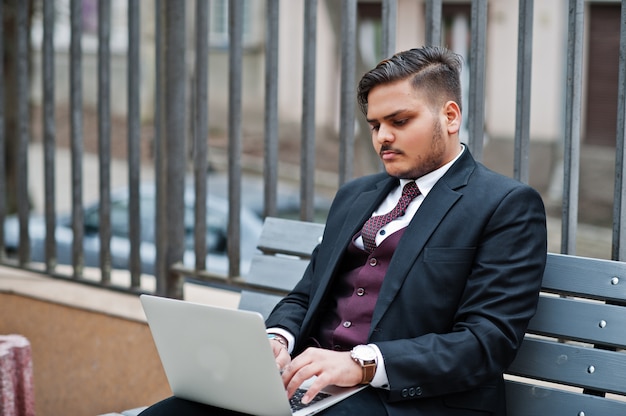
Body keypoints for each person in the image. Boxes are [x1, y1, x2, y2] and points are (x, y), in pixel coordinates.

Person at [140, 45, 547, 416]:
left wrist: (362, 364)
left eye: (399, 121)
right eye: (374, 125)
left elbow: (486, 343)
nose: (383, 137)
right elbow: (305, 294)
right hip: (307, 387)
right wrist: (278, 339)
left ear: (450, 116)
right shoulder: (355, 196)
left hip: (410, 403)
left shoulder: (505, 205)